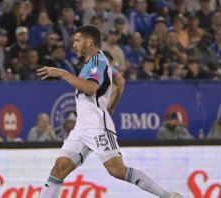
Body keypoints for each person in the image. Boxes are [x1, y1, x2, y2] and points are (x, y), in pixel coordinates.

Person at [37, 25, 183, 198]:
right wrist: (111, 106)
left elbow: (91, 88)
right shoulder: (97, 62)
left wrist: (62, 73)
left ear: (89, 41)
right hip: (81, 129)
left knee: (118, 170)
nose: (74, 45)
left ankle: (169, 196)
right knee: (59, 169)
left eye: (77, 40)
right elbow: (120, 81)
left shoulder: (97, 62)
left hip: (97, 127)